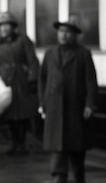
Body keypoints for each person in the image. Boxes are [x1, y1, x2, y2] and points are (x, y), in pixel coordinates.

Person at [38, 17, 97, 183]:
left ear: (75, 35)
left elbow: (91, 82)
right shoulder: (50, 53)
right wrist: (42, 102)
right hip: (55, 109)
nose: (64, 35)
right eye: (61, 31)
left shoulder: (83, 53)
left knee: (77, 154)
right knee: (57, 151)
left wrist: (89, 105)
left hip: (76, 110)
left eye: (68, 32)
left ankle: (78, 178)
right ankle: (59, 177)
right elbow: (42, 79)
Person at [0, 12, 39, 155]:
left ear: (12, 27)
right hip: (5, 82)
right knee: (10, 114)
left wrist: (32, 78)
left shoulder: (23, 40)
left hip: (22, 80)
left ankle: (22, 143)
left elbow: (33, 60)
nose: (4, 29)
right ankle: (14, 143)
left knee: (23, 114)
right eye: (1, 26)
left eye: (7, 25)